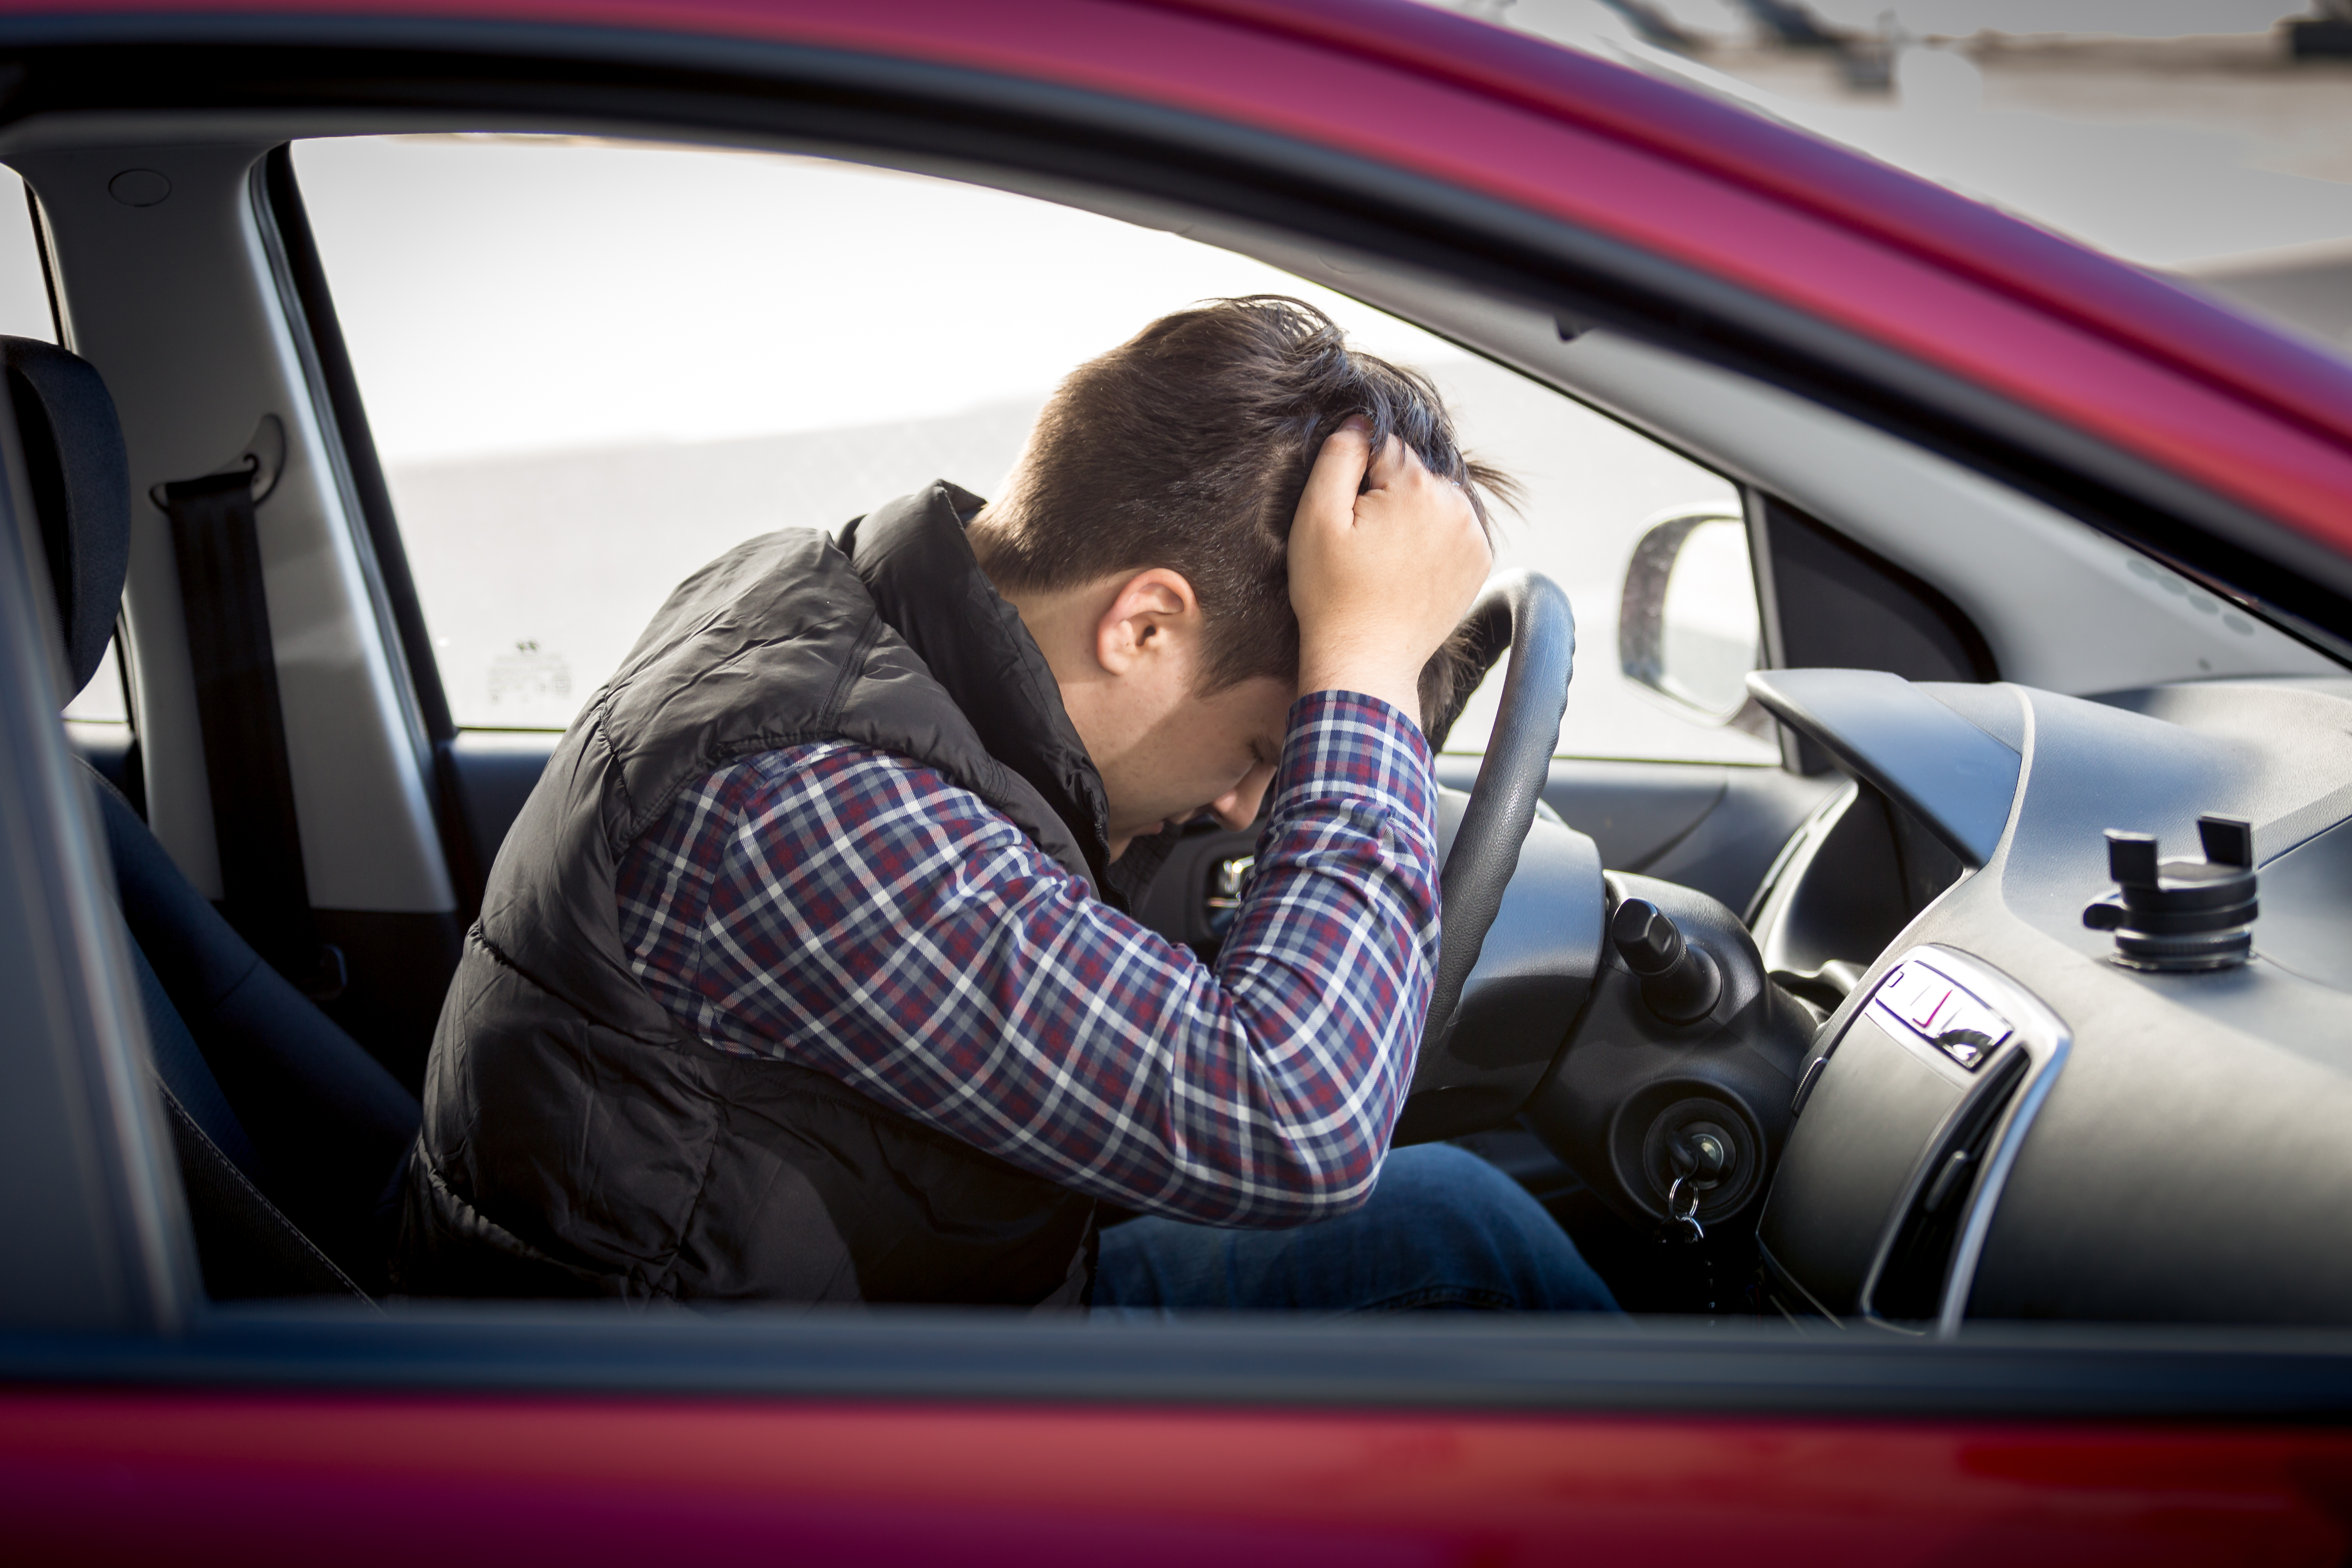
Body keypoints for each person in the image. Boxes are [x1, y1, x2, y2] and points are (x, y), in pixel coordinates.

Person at [394, 296, 1615, 1314]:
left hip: (917, 1315)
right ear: (1143, 625)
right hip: (750, 1463)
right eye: (1263, 744)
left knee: (1462, 1224)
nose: (1250, 808)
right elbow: (1302, 1121)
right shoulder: (810, 805)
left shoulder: (835, 604)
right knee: (1466, 1255)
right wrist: (1362, 673)